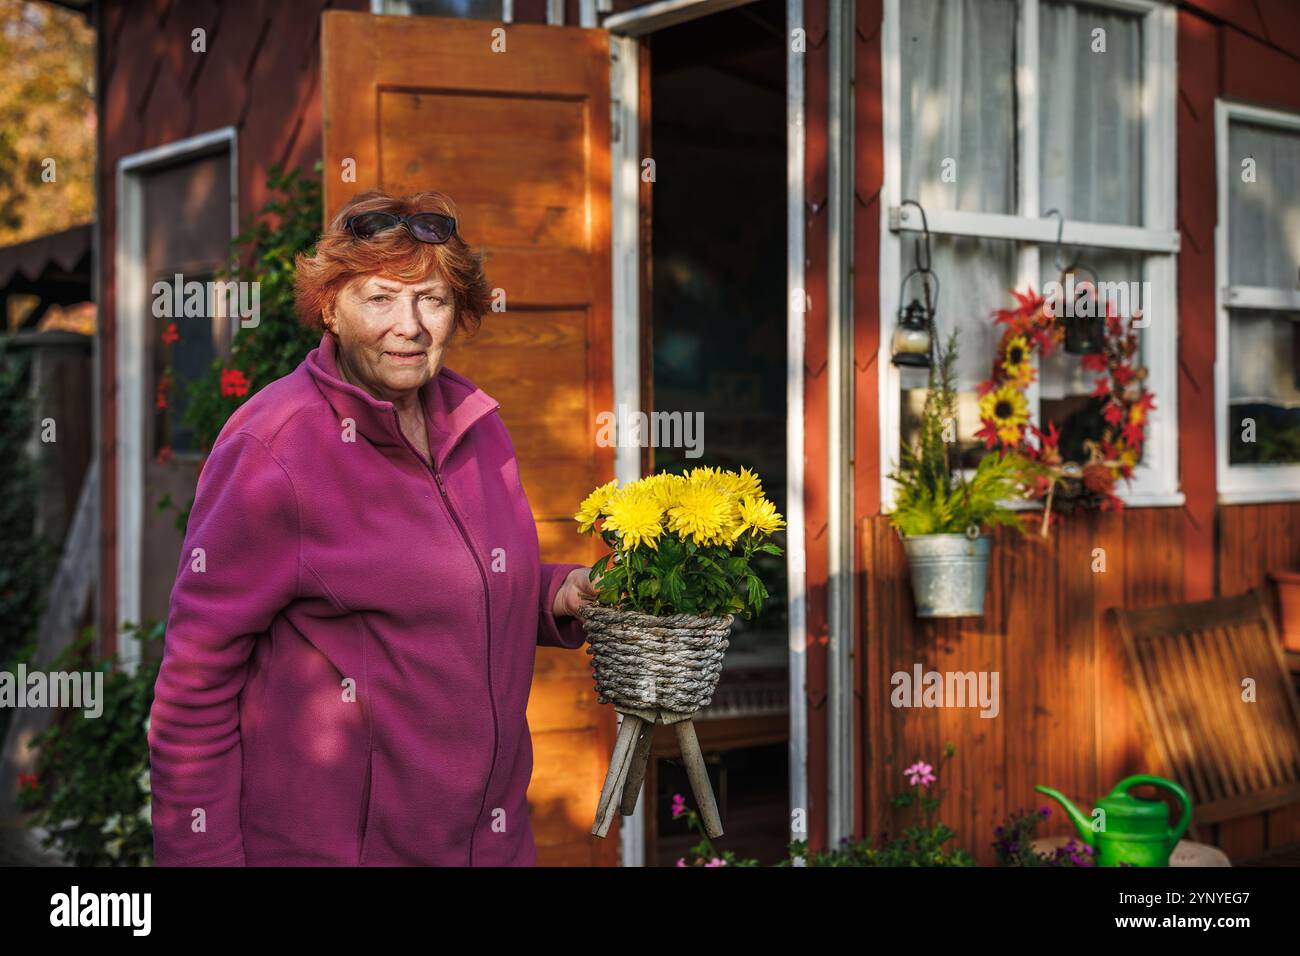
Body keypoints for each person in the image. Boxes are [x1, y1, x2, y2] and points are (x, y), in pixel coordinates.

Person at [147, 189, 598, 866]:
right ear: (330, 307)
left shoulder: (478, 425)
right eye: (380, 298)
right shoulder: (276, 445)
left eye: (433, 299)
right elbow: (194, 686)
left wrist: (559, 593)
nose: (410, 325)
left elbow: (457, 585)